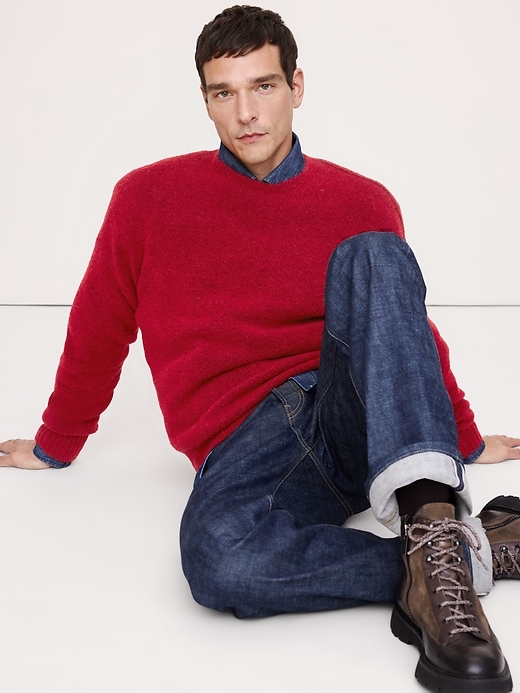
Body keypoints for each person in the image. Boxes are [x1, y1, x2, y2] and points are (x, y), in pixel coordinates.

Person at [1, 5, 520, 691]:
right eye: (224, 93)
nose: (246, 112)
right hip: (249, 442)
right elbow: (100, 323)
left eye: (264, 86)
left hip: (352, 411)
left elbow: (407, 330)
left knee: (374, 253)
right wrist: (55, 443)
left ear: (296, 86)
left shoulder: (362, 200)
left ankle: (432, 525)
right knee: (220, 561)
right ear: (206, 100)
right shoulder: (146, 198)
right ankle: (458, 558)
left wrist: (465, 437)